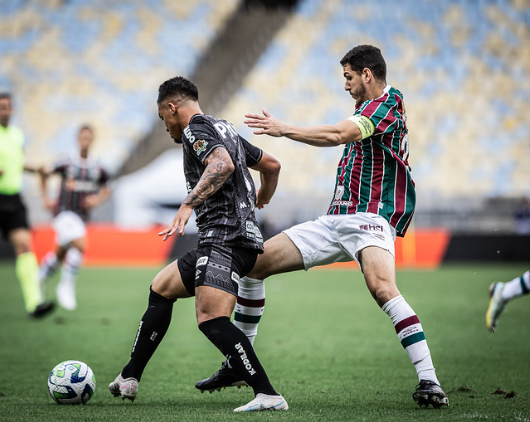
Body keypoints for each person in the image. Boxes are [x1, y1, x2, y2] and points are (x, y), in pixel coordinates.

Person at [195, 45, 449, 409]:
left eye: (348, 77)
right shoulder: (368, 108)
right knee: (252, 266)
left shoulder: (387, 105)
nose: (345, 85)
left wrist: (284, 129)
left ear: (367, 74)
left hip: (369, 219)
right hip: (334, 220)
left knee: (382, 288)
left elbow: (335, 135)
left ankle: (430, 380)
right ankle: (240, 361)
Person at [108, 76, 287, 412]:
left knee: (210, 318)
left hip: (225, 238)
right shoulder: (227, 129)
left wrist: (188, 203)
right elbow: (272, 166)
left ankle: (267, 394)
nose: (166, 127)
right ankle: (129, 376)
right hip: (237, 238)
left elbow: (221, 165)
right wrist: (262, 196)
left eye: (164, 118)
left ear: (172, 107)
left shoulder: (194, 130)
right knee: (161, 288)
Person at [39, 125, 111, 311]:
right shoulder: (66, 162)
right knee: (79, 244)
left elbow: (108, 188)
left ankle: (40, 276)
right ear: (77, 139)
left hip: (81, 217)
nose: (85, 141)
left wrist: (97, 199)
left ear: (92, 140)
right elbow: (43, 173)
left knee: (62, 252)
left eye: (88, 138)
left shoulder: (98, 167)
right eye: (82, 138)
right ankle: (66, 286)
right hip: (63, 212)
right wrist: (46, 197)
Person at [0, 92, 54, 318]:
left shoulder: (16, 135)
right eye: (1, 107)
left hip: (13, 199)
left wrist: (35, 170)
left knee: (24, 246)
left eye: (8, 107)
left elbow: (18, 163)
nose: (5, 111)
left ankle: (35, 303)